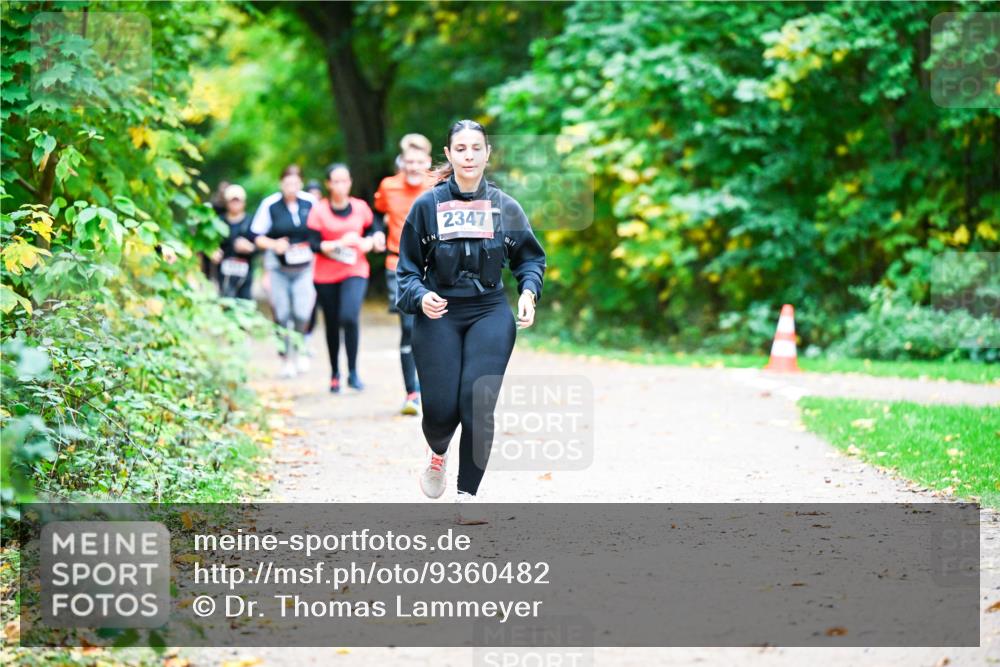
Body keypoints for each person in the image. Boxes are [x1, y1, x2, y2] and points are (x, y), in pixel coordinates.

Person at [395, 120, 545, 524]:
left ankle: (468, 495)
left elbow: (529, 258)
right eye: (460, 148)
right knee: (442, 411)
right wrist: (421, 296)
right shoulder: (426, 206)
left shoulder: (505, 206)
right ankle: (437, 453)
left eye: (476, 148)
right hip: (439, 311)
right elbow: (406, 271)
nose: (468, 156)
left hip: (489, 311)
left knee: (477, 404)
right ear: (448, 154)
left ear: (487, 154)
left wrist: (529, 291)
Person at [374, 135, 436, 415]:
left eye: (419, 162)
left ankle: (434, 390)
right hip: (397, 265)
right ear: (402, 162)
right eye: (409, 162)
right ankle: (412, 394)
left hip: (434, 265)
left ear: (428, 162)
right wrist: (377, 231)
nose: (413, 167)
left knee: (436, 329)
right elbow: (379, 214)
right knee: (409, 328)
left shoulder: (438, 184)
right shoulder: (388, 186)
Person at [307, 164, 377, 393]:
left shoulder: (360, 207)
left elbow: (373, 229)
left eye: (344, 181)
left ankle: (354, 372)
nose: (340, 186)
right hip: (326, 274)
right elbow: (313, 244)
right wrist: (337, 244)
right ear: (328, 184)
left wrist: (369, 241)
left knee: (349, 316)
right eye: (335, 181)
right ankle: (335, 372)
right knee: (332, 323)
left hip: (354, 269)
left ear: (350, 182)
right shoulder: (319, 210)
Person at [250, 165, 317, 378]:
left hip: (304, 267)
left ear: (301, 184)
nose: (292, 188)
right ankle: (286, 358)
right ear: (281, 184)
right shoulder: (270, 205)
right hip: (278, 267)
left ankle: (300, 349)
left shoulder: (310, 203)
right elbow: (256, 236)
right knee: (282, 313)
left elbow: (321, 230)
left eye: (296, 183)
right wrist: (273, 244)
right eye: (288, 184)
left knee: (301, 312)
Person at [210, 184, 257, 299]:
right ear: (226, 203)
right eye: (232, 201)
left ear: (244, 203)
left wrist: (250, 248)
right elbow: (210, 243)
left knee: (245, 302)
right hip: (224, 271)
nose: (235, 204)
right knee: (225, 300)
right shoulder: (218, 222)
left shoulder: (252, 221)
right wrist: (212, 251)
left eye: (238, 201)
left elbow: (260, 245)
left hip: (245, 271)